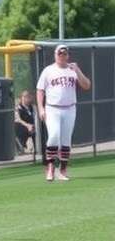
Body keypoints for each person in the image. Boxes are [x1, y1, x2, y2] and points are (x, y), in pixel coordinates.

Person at [36, 44, 91, 181]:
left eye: (64, 54)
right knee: (54, 135)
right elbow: (40, 90)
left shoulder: (73, 70)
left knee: (66, 139)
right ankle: (50, 167)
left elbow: (87, 85)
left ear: (68, 55)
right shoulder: (48, 70)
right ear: (55, 55)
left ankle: (63, 169)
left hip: (70, 108)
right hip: (52, 108)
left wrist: (77, 70)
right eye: (60, 54)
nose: (62, 56)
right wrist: (41, 108)